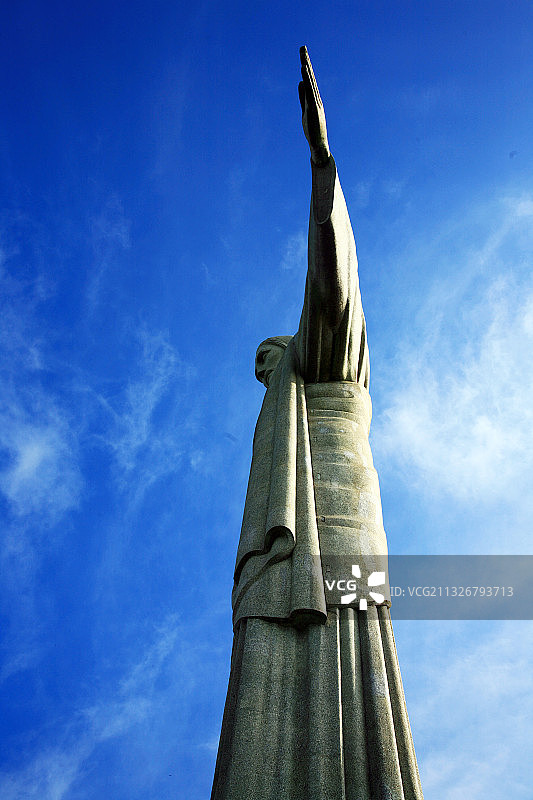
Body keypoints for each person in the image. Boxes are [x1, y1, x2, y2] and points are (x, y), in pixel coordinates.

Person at [211, 47, 424, 800]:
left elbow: (331, 283)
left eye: (270, 353)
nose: (265, 367)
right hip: (276, 563)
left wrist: (321, 163)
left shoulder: (328, 359)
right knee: (262, 684)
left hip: (340, 534)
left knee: (362, 681)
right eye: (262, 366)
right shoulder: (282, 411)